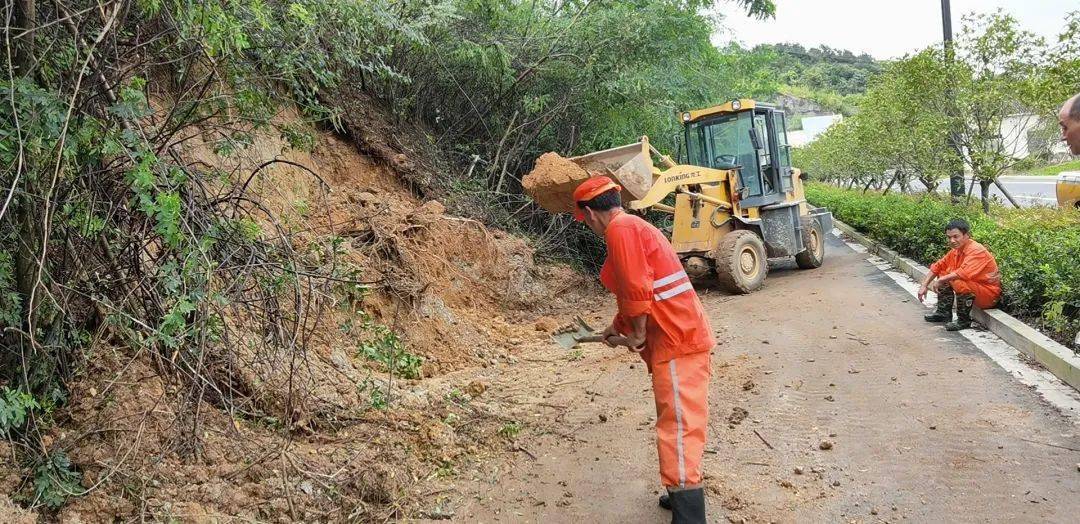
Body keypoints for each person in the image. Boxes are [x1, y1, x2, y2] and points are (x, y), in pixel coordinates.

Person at [573, 175, 715, 524]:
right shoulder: (633, 226)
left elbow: (637, 289)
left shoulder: (620, 230)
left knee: (679, 426)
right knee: (676, 419)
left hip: (677, 340)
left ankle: (689, 514)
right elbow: (639, 289)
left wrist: (636, 333)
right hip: (676, 336)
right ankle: (679, 490)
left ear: (589, 214)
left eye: (585, 221)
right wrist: (618, 327)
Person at [917, 219, 1001, 331]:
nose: (952, 240)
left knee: (957, 280)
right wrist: (924, 285)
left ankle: (963, 321)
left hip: (988, 295)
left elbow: (963, 273)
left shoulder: (977, 250)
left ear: (967, 235)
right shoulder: (956, 250)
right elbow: (938, 266)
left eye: (956, 236)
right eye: (949, 237)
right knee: (943, 272)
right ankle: (943, 313)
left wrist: (940, 280)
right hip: (975, 289)